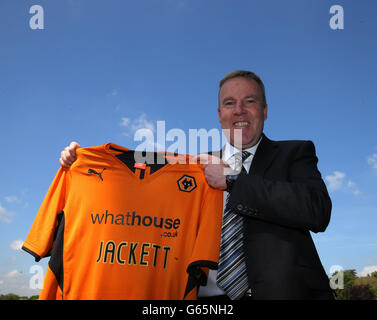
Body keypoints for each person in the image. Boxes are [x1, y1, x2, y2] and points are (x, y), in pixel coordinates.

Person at [59, 70, 334, 300]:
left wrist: (232, 181)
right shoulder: (196, 166)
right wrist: (84, 164)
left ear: (264, 110)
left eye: (249, 101)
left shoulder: (295, 152)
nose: (239, 110)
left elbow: (317, 210)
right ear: (219, 114)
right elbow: (138, 183)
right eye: (229, 103)